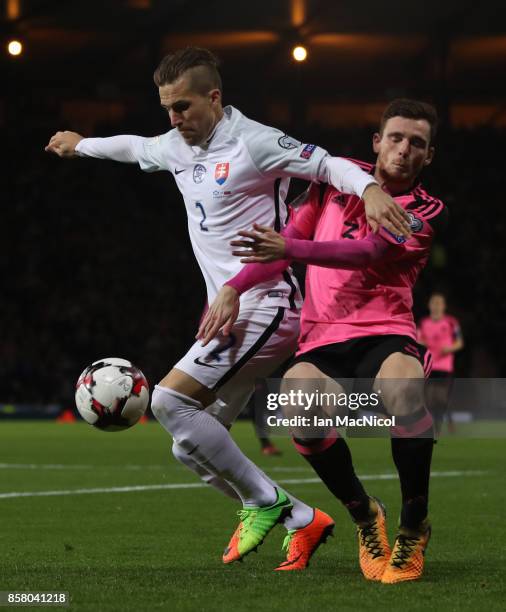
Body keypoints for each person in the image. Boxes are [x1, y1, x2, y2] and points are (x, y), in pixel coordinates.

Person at [45, 47, 410, 570]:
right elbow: (134, 147)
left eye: (184, 107)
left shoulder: (254, 142)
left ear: (214, 98)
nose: (174, 120)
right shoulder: (175, 144)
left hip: (269, 303)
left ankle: (269, 502)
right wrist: (82, 146)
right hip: (230, 313)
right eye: (168, 108)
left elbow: (326, 165)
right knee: (188, 444)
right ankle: (303, 520)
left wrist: (371, 188)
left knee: (169, 403)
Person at [200, 98, 446, 582]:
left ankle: (414, 526)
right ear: (377, 142)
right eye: (395, 137)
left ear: (428, 156)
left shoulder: (424, 209)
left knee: (402, 390)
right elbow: (281, 247)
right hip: (321, 337)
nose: (403, 149)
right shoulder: (335, 181)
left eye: (416, 143)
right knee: (299, 406)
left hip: (385, 331)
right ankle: (362, 514)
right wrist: (233, 287)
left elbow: (367, 252)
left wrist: (291, 248)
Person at [418, 293, 464, 435]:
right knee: (430, 399)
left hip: (445, 367)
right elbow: (417, 339)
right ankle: (435, 429)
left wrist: (449, 348)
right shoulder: (423, 323)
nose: (436, 306)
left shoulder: (451, 322)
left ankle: (446, 424)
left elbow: (459, 342)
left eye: (439, 303)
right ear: (429, 305)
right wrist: (422, 343)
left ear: (444, 306)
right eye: (434, 303)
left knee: (441, 399)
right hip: (429, 366)